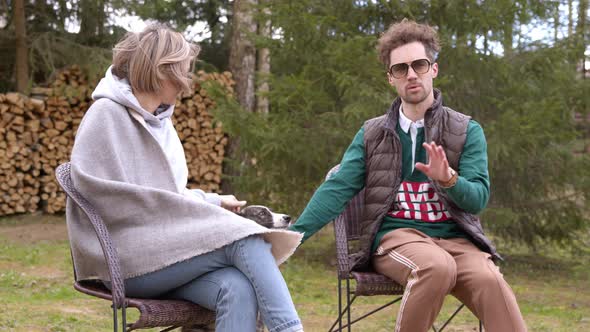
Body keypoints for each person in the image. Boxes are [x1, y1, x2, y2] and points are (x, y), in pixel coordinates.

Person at [289, 19, 527, 332]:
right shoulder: (372, 134)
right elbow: (337, 189)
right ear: (391, 78)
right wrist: (293, 238)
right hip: (397, 238)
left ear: (434, 69)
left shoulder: (466, 130)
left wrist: (449, 181)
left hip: (456, 239)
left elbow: (478, 198)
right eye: (401, 68)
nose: (411, 74)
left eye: (419, 64)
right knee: (435, 266)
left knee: (489, 279)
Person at [67, 23, 303, 332]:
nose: (186, 82)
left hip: (162, 255)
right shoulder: (106, 115)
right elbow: (109, 198)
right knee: (248, 240)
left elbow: (166, 196)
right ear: (159, 69)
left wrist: (214, 201)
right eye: (182, 70)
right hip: (128, 262)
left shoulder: (160, 124)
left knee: (236, 288)